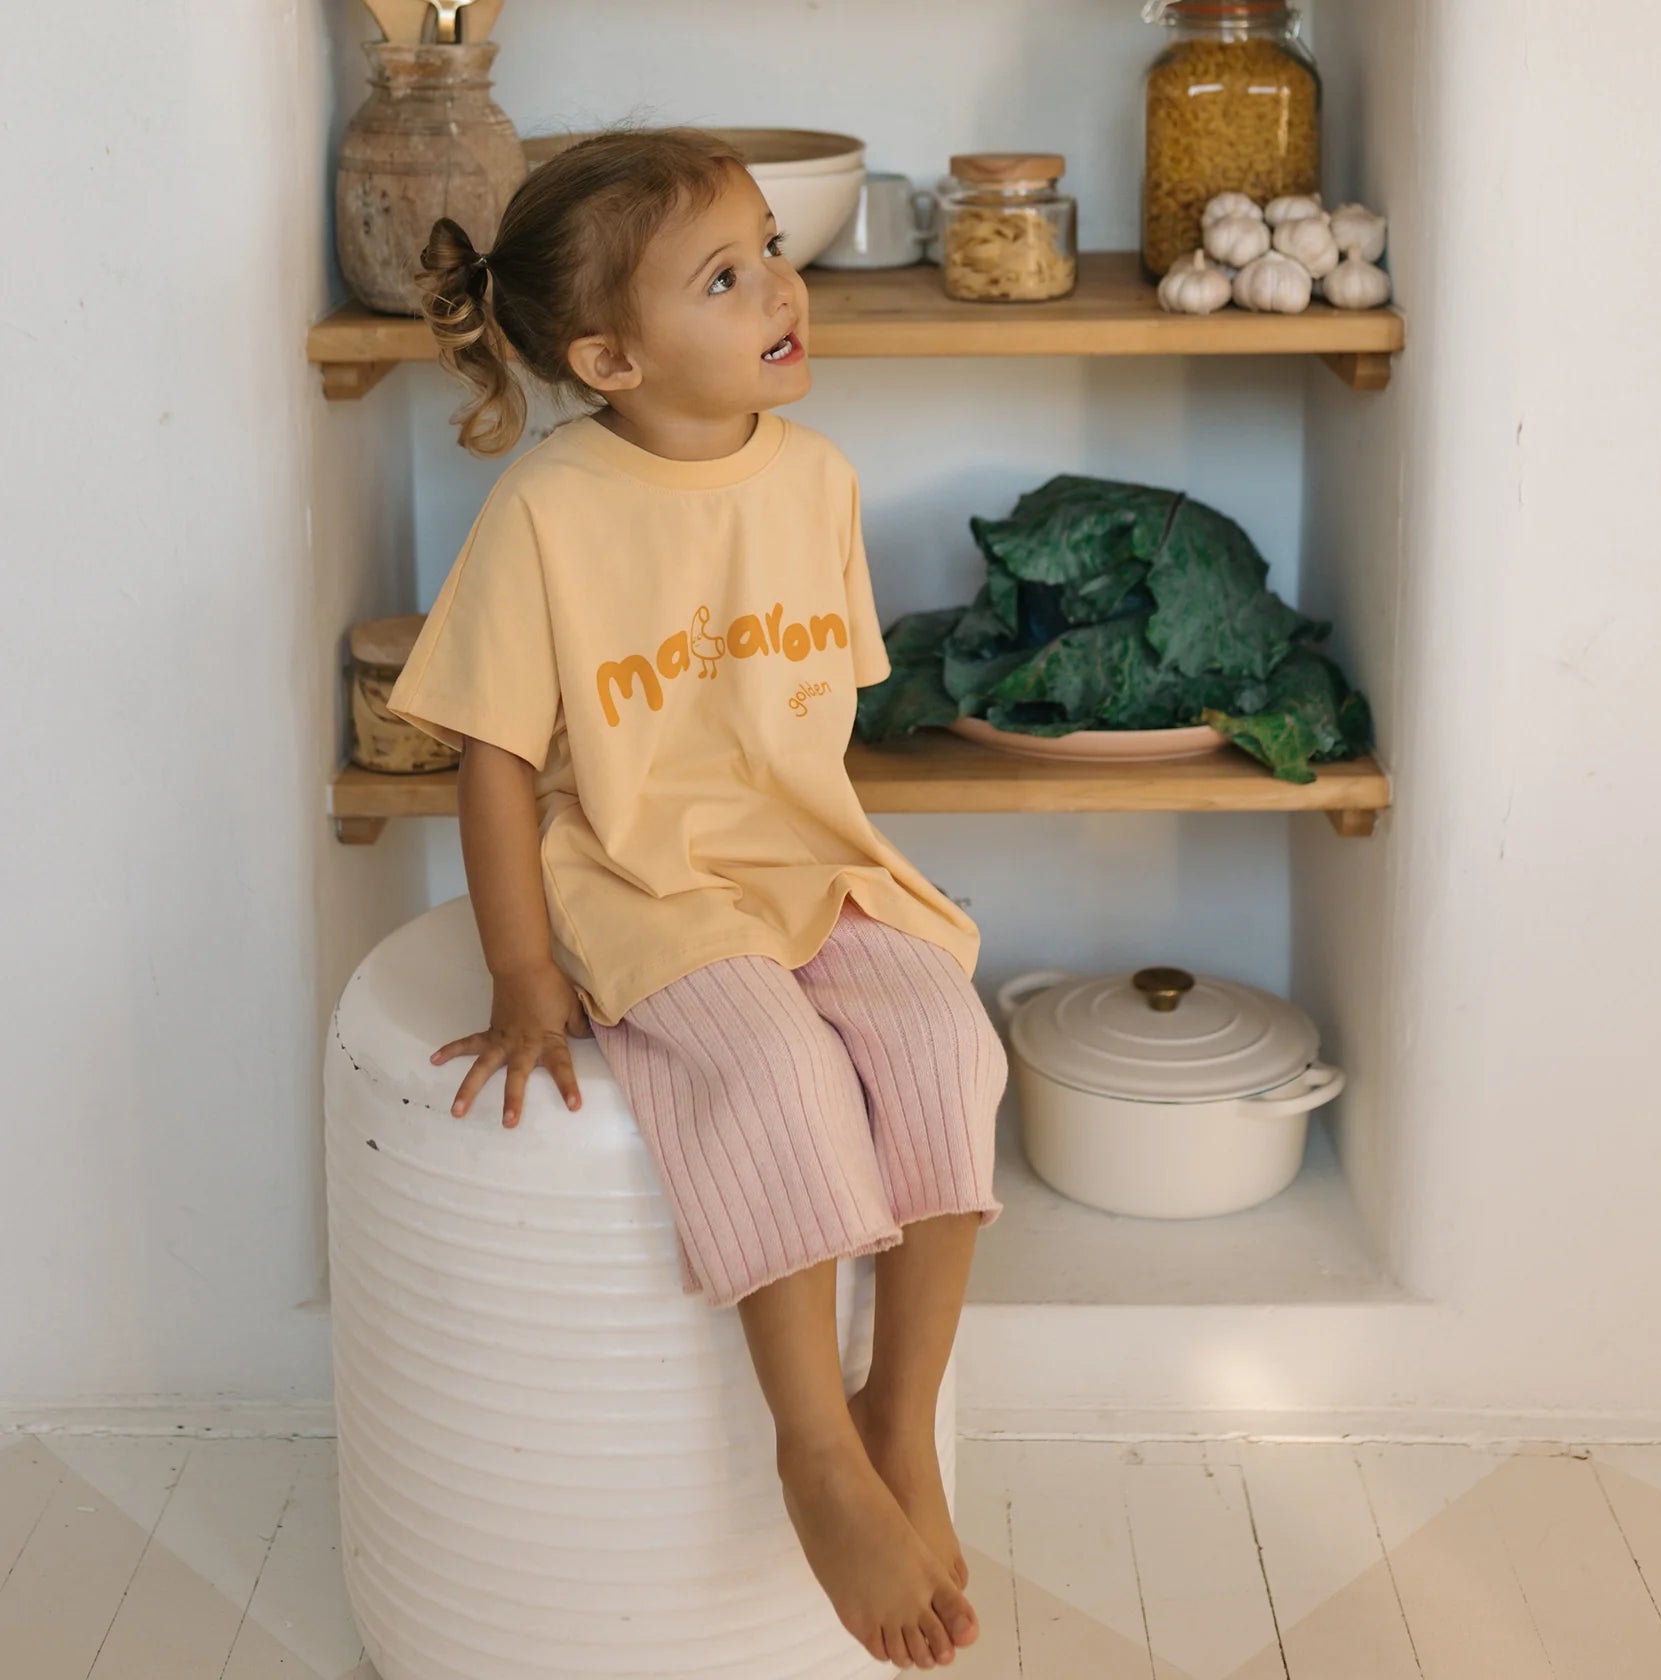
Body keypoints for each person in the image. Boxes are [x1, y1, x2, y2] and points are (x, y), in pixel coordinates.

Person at [384, 122, 1006, 1671]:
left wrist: (822, 890)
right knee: (782, 1079)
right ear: (608, 356)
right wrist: (527, 974)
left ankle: (896, 1415)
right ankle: (811, 1445)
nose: (781, 291)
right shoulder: (548, 512)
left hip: (806, 855)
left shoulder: (819, 480)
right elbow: (496, 762)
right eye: (725, 276)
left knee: (949, 1048)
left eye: (773, 254)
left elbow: (814, 730)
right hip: (638, 874)